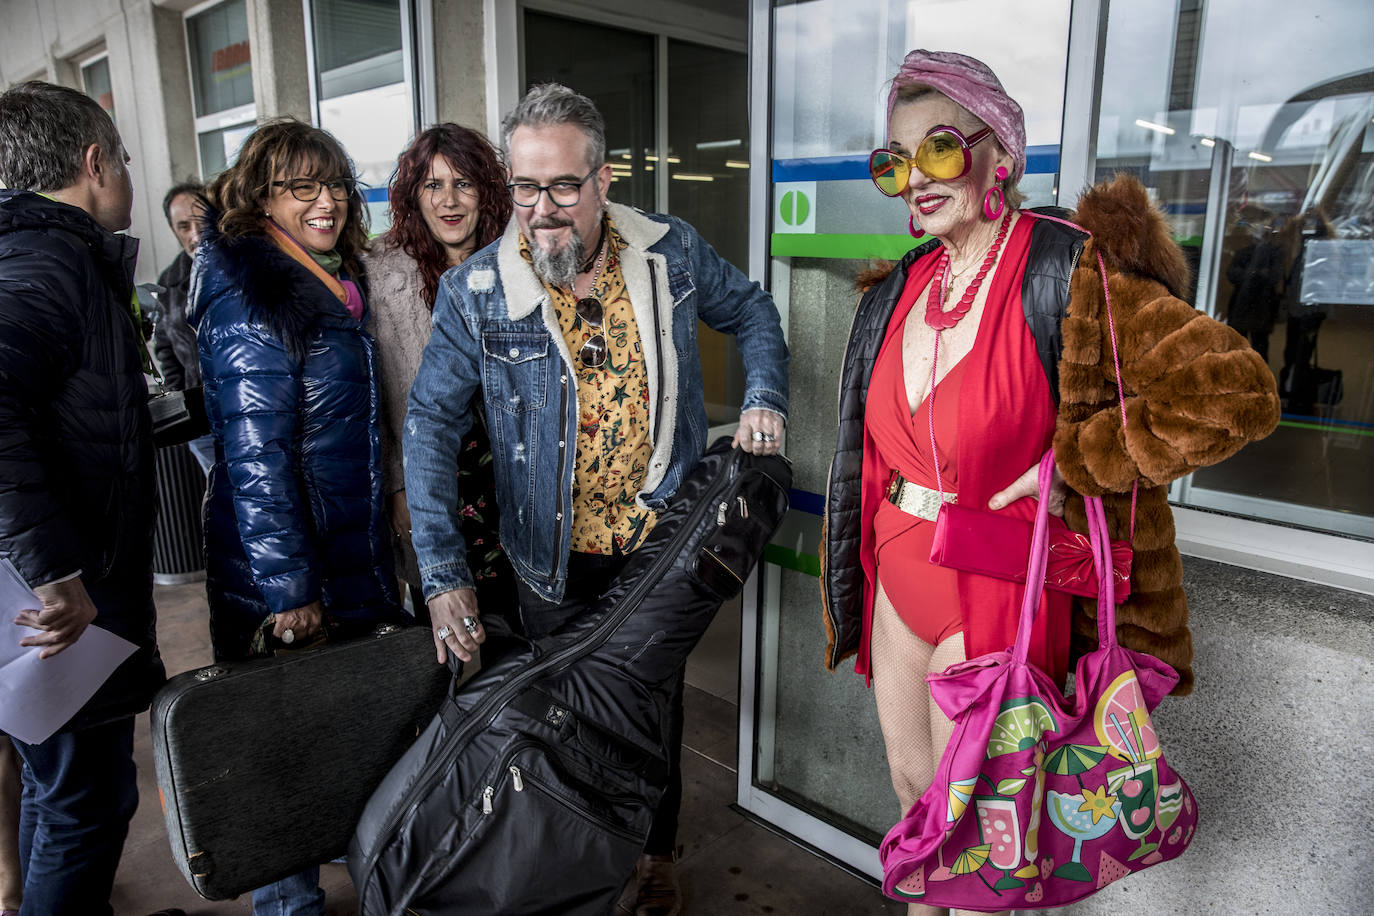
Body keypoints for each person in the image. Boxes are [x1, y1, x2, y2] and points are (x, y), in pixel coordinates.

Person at [819, 50, 1280, 916]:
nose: (914, 178)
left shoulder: (1069, 274)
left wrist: (1073, 465)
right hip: (900, 570)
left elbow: (1233, 392)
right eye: (895, 161)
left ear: (1004, 155)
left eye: (941, 149)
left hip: (998, 581)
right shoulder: (901, 285)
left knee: (986, 832)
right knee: (918, 800)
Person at [404, 83, 790, 916]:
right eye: (526, 186)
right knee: (561, 722)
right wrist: (442, 574)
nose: (542, 211)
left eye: (564, 187)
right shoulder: (477, 293)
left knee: (654, 713)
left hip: (659, 549)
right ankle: (577, 868)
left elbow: (754, 310)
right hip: (547, 559)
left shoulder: (669, 251)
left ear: (604, 180)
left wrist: (763, 397)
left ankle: (653, 856)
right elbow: (430, 428)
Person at [190, 117, 405, 915]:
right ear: (261, 197)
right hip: (291, 571)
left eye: (337, 185)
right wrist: (286, 590)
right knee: (284, 757)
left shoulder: (328, 277)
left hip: (342, 551)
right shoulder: (255, 295)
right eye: (301, 187)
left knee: (332, 739)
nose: (328, 202)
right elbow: (256, 460)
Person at [0, 80, 167, 916]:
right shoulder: (48, 262)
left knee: (55, 791)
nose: (128, 177)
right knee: (84, 809)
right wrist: (53, 564)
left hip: (49, 607)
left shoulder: (35, 254)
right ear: (94, 163)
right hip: (61, 612)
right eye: (126, 160)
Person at [362, 123, 516, 616]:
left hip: (513, 469)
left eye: (463, 183)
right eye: (433, 185)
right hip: (433, 473)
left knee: (518, 614)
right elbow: (378, 393)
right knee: (448, 617)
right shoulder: (381, 272)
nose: (449, 200)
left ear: (486, 191)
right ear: (414, 195)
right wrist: (397, 485)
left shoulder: (517, 260)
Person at [151, 180, 215, 473]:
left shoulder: (242, 269)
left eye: (201, 221)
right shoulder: (169, 282)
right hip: (203, 424)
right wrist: (183, 399)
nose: (196, 234)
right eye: (183, 226)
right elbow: (165, 348)